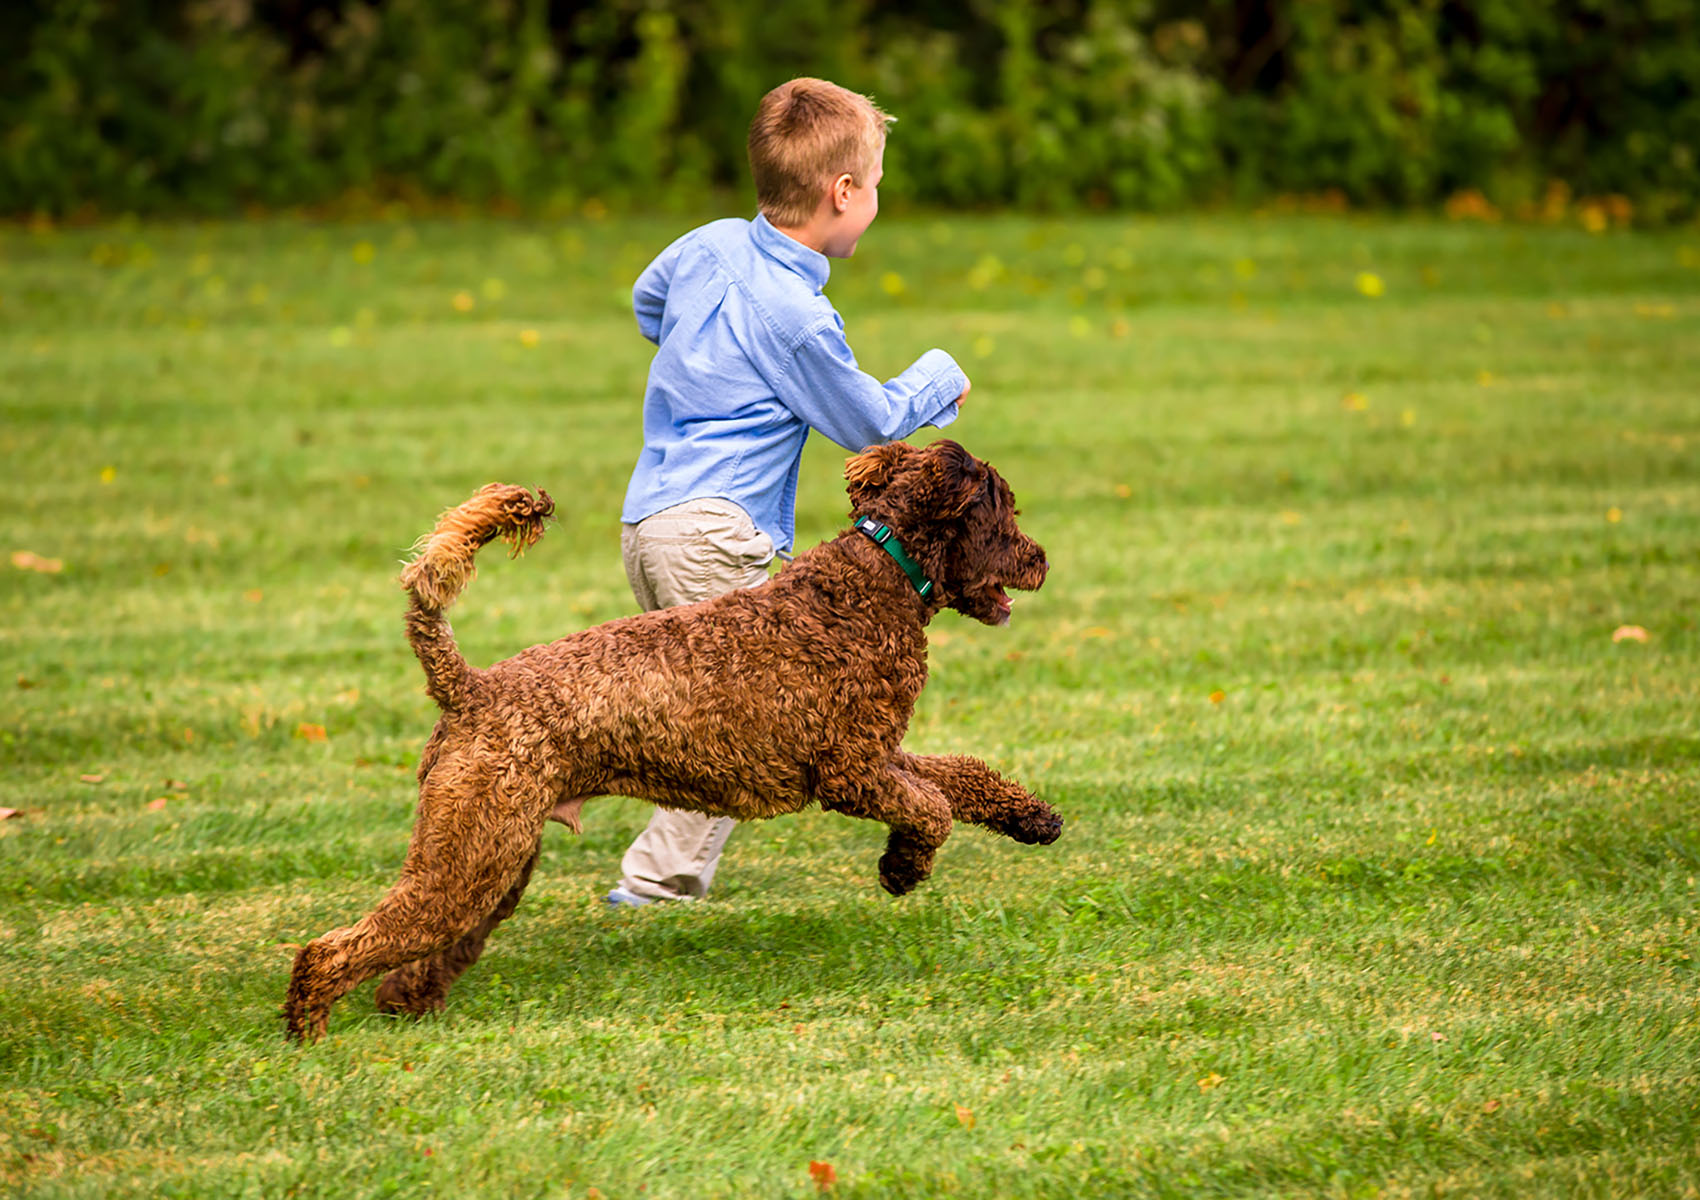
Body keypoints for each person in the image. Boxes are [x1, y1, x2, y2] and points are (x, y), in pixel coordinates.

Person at [606, 76, 972, 906]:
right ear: (842, 194)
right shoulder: (796, 318)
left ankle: (576, 778)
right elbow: (867, 423)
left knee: (683, 710)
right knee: (745, 727)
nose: (877, 198)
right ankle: (654, 890)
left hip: (648, 521)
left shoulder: (706, 247)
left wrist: (702, 353)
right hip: (715, 534)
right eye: (874, 185)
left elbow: (647, 300)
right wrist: (938, 379)